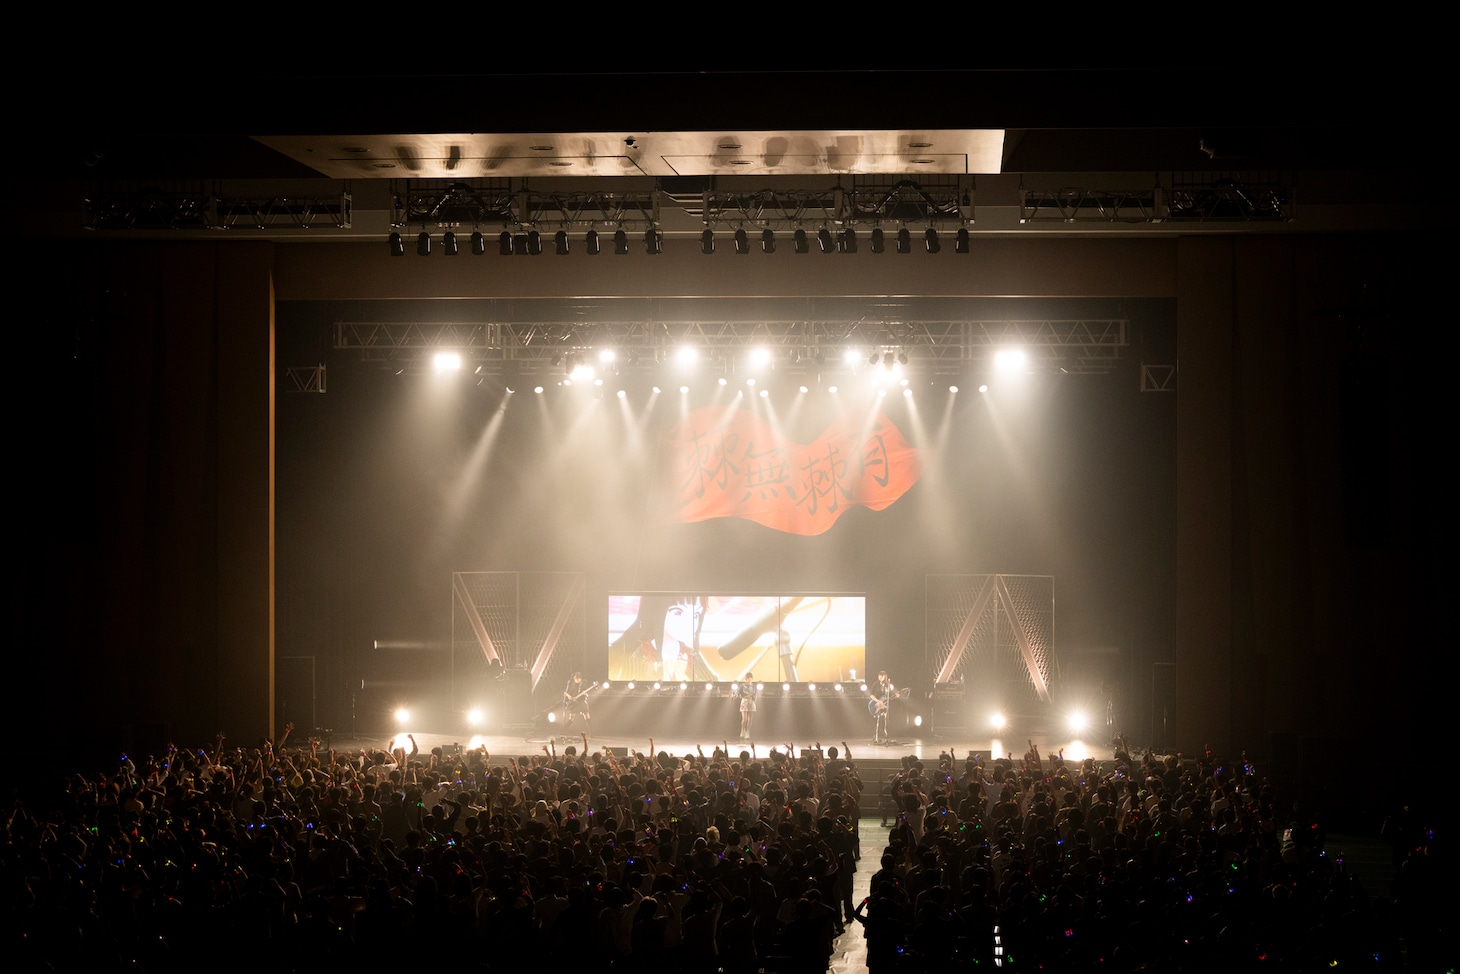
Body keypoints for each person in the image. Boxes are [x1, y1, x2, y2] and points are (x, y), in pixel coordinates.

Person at [870, 670, 896, 744]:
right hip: (877, 704)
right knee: (876, 720)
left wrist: (895, 696)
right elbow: (871, 695)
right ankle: (875, 737)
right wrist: (878, 701)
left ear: (885, 677)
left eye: (882, 676)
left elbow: (890, 696)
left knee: (884, 720)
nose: (881, 677)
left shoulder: (888, 685)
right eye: (879, 676)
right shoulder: (875, 684)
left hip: (884, 705)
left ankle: (885, 735)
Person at [563, 671, 591, 737]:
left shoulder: (583, 685)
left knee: (587, 715)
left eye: (578, 679)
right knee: (571, 718)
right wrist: (569, 696)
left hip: (581, 701)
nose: (577, 680)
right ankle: (563, 730)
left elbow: (587, 695)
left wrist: (585, 694)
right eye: (576, 679)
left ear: (581, 679)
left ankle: (591, 733)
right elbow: (565, 692)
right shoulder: (570, 684)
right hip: (573, 702)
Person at [738, 673, 759, 741]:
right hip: (744, 701)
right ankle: (742, 730)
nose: (749, 679)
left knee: (750, 719)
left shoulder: (754, 686)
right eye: (748, 678)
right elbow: (738, 692)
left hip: (751, 702)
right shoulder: (742, 685)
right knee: (745, 719)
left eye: (750, 678)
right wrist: (734, 695)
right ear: (746, 679)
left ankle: (747, 732)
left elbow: (755, 694)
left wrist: (754, 698)